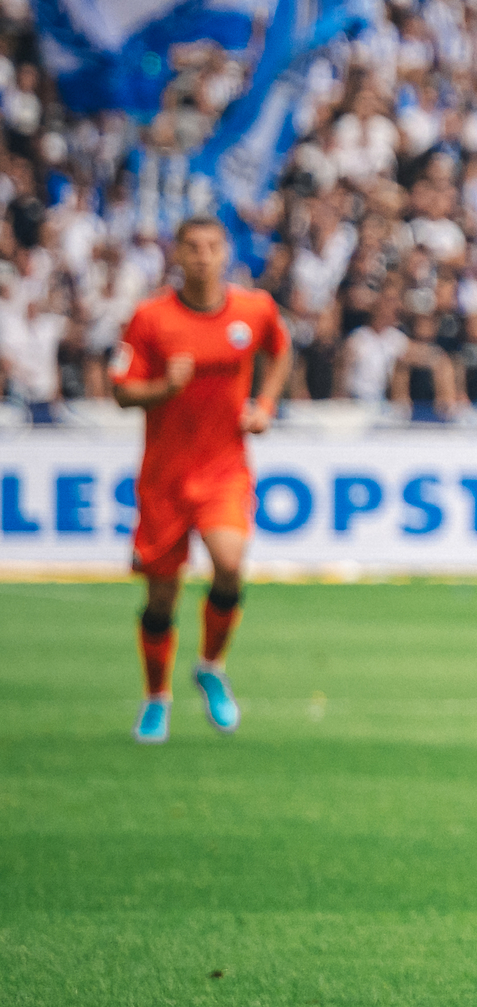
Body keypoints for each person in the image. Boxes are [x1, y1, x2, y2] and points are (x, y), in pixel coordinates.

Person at [109, 217, 291, 744]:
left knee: (230, 565)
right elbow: (121, 391)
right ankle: (155, 699)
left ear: (225, 253)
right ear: (178, 256)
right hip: (164, 480)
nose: (204, 257)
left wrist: (265, 404)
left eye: (213, 247)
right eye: (193, 248)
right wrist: (164, 387)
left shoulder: (254, 310)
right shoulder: (151, 318)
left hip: (223, 471)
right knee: (162, 599)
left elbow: (280, 350)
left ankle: (210, 665)